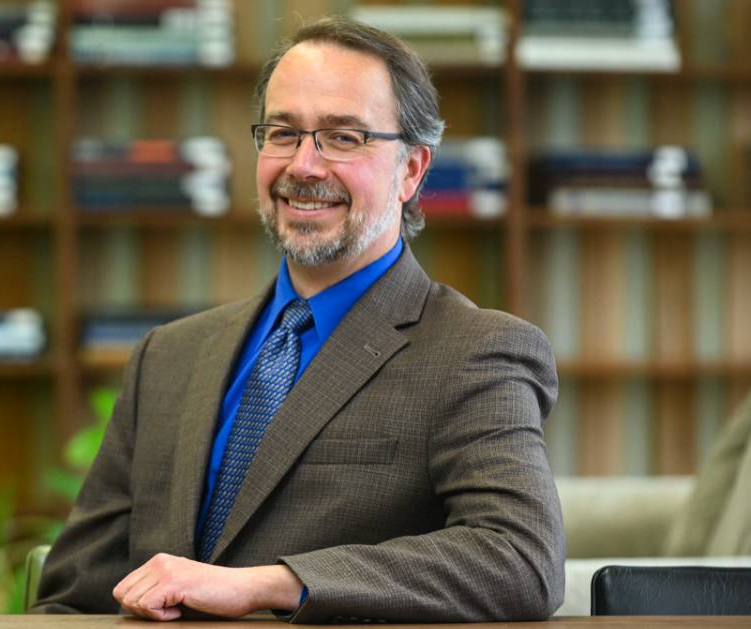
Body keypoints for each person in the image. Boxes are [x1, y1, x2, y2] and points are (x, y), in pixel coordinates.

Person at [31, 16, 564, 624]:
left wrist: (273, 584)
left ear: (412, 171)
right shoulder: (167, 357)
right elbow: (71, 599)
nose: (305, 166)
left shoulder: (476, 351)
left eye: (343, 137)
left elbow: (520, 557)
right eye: (283, 132)